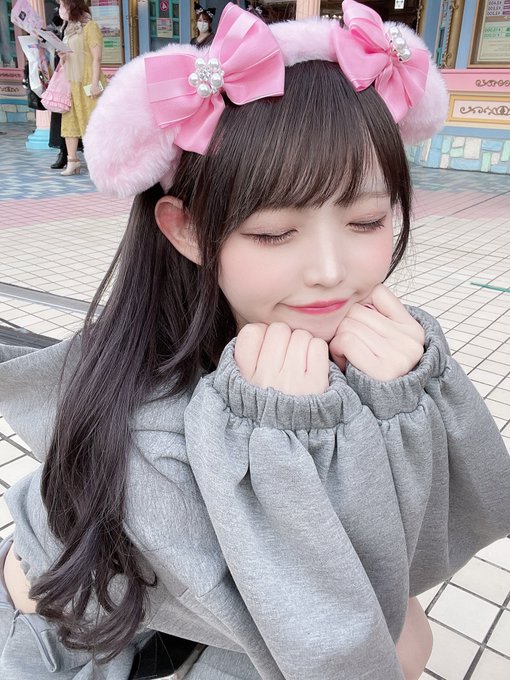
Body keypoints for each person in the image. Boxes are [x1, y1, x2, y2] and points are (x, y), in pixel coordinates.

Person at [1, 3, 510, 679]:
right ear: (184, 230)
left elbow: (435, 544)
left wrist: (410, 402)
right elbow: (340, 644)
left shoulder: (375, 351)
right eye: (273, 234)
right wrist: (288, 436)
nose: (329, 270)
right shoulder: (154, 438)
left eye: (365, 221)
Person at [56, 0, 106, 176]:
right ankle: (72, 161)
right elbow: (68, 58)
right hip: (71, 82)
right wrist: (62, 57)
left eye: (63, 5)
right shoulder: (68, 29)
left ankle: (99, 163)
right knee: (70, 121)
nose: (60, 9)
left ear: (72, 6)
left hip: (87, 81)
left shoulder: (90, 27)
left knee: (90, 122)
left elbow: (96, 58)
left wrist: (94, 83)